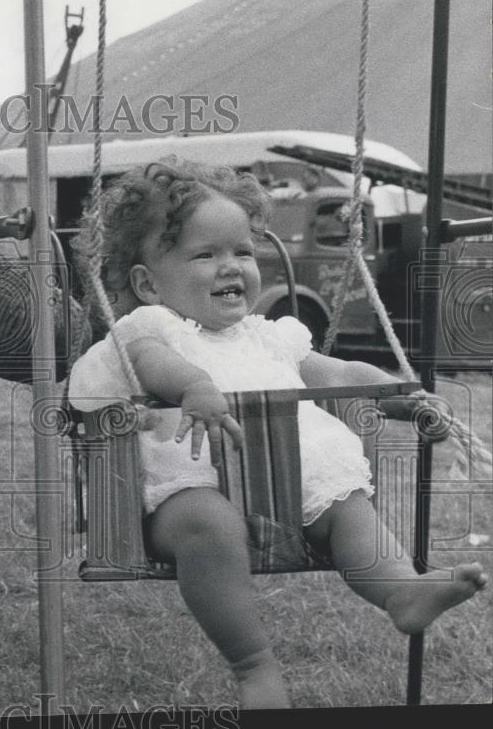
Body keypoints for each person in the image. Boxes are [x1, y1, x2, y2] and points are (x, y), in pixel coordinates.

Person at [68, 158, 487, 709]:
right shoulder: (150, 329)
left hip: (285, 492)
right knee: (209, 523)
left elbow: (336, 373)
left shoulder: (269, 337)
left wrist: (400, 395)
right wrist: (194, 386)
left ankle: (402, 591)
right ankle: (254, 666)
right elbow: (150, 366)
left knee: (348, 505)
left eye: (242, 251)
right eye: (205, 254)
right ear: (148, 283)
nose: (231, 267)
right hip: (181, 497)